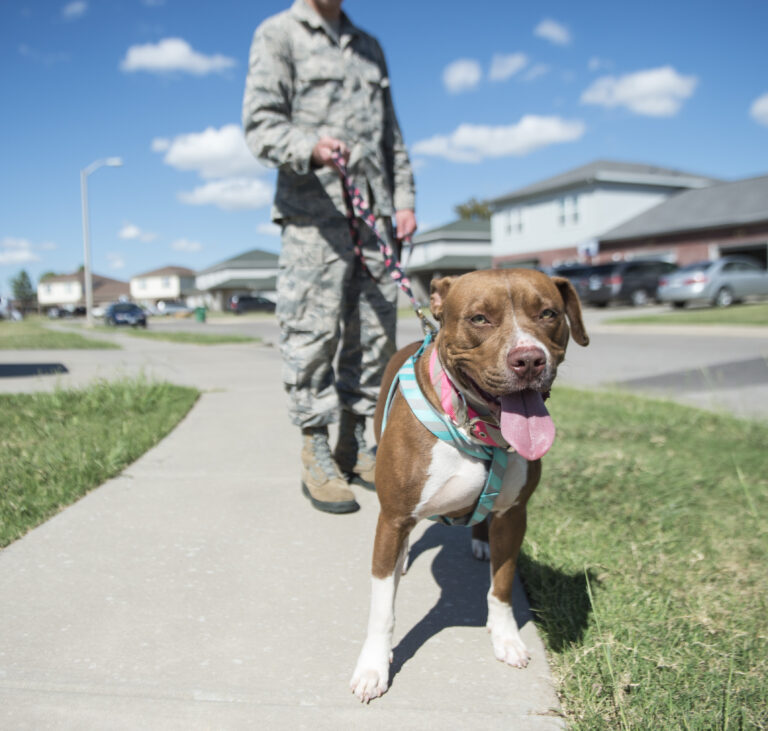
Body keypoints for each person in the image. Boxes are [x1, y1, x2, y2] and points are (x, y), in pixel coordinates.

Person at [242, 0, 417, 514]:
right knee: (312, 332)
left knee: (375, 334)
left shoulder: (369, 47)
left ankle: (357, 441)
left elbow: (393, 136)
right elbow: (259, 123)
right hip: (312, 213)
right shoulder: (279, 34)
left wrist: (403, 199)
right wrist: (309, 146)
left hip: (374, 216)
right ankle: (315, 446)